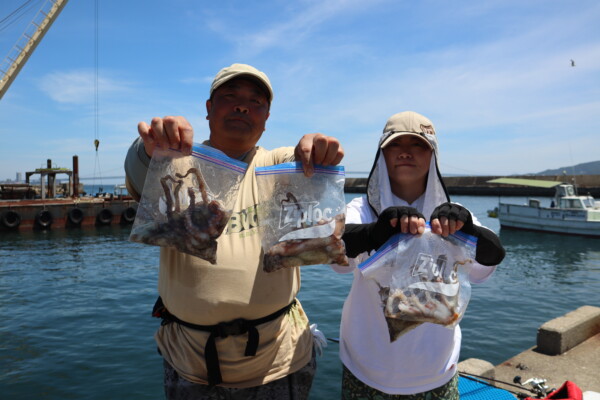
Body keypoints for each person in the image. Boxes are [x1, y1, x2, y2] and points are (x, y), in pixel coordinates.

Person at [124, 63, 344, 399]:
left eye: (256, 102)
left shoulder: (277, 166)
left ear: (267, 118)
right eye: (230, 96)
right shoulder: (178, 165)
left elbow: (304, 159)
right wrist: (150, 148)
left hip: (279, 359)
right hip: (191, 362)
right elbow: (139, 168)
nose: (243, 105)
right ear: (209, 110)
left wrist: (316, 150)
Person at [337, 111, 506, 399]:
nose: (405, 152)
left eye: (417, 145)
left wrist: (468, 231)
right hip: (365, 370)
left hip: (436, 373)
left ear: (433, 155)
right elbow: (337, 259)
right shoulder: (361, 210)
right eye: (394, 144)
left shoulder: (453, 217)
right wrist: (375, 232)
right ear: (382, 154)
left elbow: (485, 266)